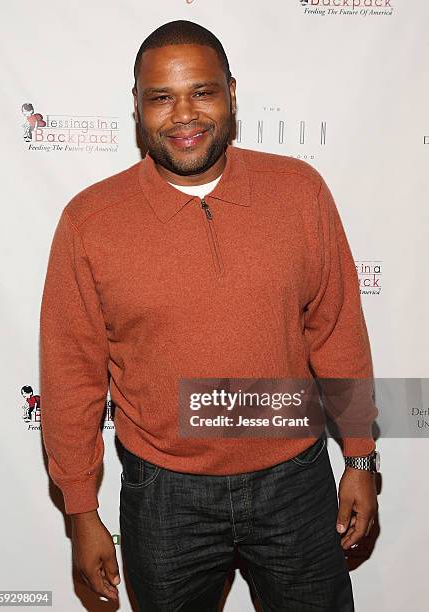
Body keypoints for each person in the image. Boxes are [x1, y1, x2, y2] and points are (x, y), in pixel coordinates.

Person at [39, 19, 380, 611]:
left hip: (295, 480)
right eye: (161, 98)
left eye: (202, 91)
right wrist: (80, 510)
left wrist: (361, 456)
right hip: (163, 495)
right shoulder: (90, 222)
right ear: (137, 108)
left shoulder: (300, 193)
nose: (184, 115)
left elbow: (338, 332)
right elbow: (72, 377)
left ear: (232, 92)